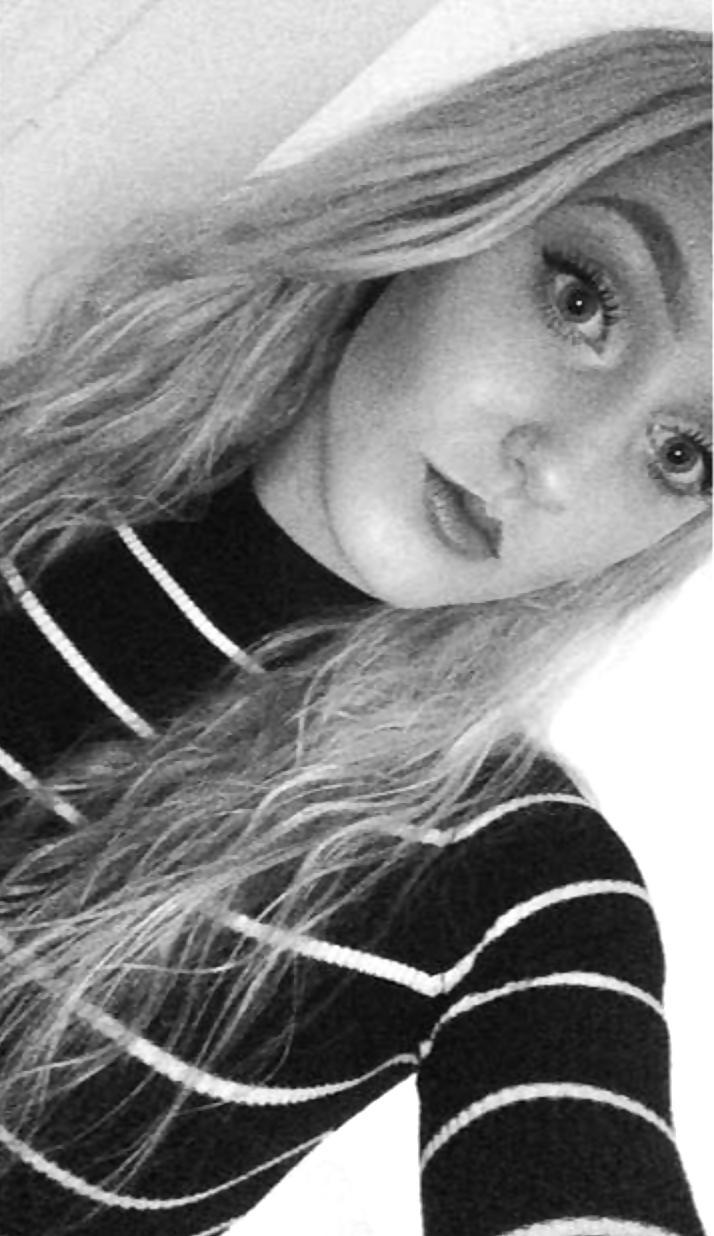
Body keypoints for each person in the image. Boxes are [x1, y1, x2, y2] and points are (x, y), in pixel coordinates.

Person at [0, 26, 710, 1236]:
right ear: (448, 210)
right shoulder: (27, 475)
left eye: (682, 453)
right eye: (584, 300)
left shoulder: (510, 881)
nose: (560, 465)